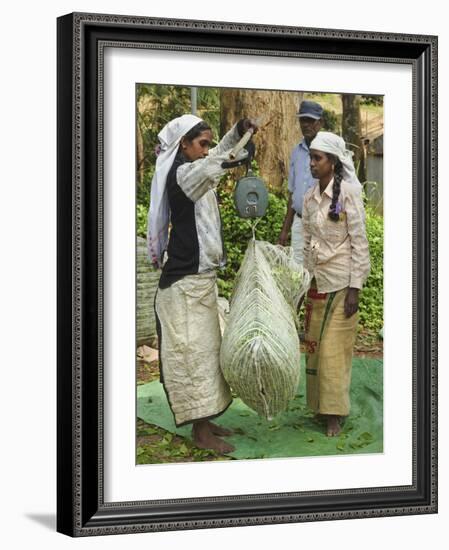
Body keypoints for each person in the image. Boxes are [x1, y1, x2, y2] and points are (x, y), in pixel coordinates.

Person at [147, 114, 257, 454]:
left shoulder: (197, 166)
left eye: (208, 143)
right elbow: (216, 164)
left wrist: (238, 130)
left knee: (208, 357)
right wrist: (235, 151)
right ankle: (200, 432)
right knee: (192, 361)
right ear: (183, 145)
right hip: (182, 288)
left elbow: (219, 155)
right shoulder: (183, 175)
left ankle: (207, 422)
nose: (206, 149)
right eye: (201, 143)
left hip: (200, 283)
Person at [301, 131, 370, 437]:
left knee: (333, 352)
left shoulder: (349, 195)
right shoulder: (309, 196)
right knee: (315, 349)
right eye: (311, 158)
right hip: (317, 281)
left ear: (333, 162)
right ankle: (319, 407)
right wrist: (302, 281)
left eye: (317, 158)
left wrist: (356, 288)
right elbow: (304, 242)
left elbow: (360, 243)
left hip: (343, 283)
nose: (312, 164)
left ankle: (334, 414)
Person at [278, 100, 324, 264]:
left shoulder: (328, 153)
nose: (306, 125)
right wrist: (285, 230)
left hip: (321, 225)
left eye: (310, 120)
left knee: (318, 271)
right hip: (298, 223)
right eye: (302, 120)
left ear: (320, 123)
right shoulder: (297, 152)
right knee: (297, 272)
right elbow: (293, 193)